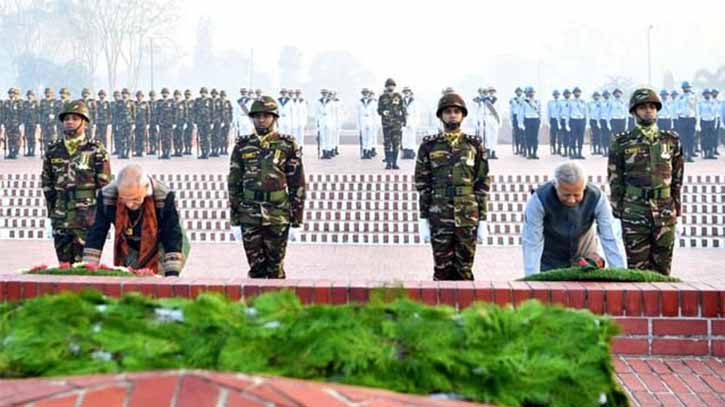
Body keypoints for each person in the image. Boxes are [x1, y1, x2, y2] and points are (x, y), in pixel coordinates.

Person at [415, 93, 491, 280]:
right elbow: (423, 184)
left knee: (464, 269)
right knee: (441, 269)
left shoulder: (474, 145)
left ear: (463, 115)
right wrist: (423, 219)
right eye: (448, 111)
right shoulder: (429, 146)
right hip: (439, 213)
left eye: (457, 111)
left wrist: (482, 220)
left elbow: (482, 183)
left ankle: (464, 309)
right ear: (441, 116)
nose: (452, 115)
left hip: (467, 213)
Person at [608, 88, 684, 275]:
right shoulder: (622, 142)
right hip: (634, 209)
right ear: (634, 112)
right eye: (642, 107)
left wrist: (676, 207)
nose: (648, 111)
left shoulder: (671, 140)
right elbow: (615, 179)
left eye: (652, 107)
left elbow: (677, 177)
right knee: (637, 270)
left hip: (665, 209)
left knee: (663, 268)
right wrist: (619, 210)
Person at [228, 96, 306, 278]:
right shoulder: (242, 145)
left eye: (266, 116)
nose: (261, 119)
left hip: (278, 213)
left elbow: (297, 183)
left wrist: (297, 221)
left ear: (275, 118)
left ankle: (275, 305)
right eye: (257, 116)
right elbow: (234, 184)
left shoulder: (287, 144)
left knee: (275, 269)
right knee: (255, 270)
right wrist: (235, 219)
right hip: (249, 213)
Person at [522, 162, 625, 275]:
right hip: (550, 262)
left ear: (584, 187)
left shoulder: (598, 198)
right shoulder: (538, 201)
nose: (571, 200)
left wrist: (620, 274)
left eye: (577, 195)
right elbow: (532, 242)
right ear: (556, 186)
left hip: (586, 261)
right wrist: (532, 280)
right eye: (566, 195)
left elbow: (611, 237)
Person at [82, 164, 186, 276]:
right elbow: (97, 231)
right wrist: (89, 267)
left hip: (164, 239)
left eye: (135, 199)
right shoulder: (107, 195)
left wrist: (172, 274)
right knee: (128, 275)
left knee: (158, 278)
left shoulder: (163, 196)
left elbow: (171, 234)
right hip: (130, 239)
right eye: (124, 199)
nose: (130, 204)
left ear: (146, 188)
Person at [41, 101, 111, 263]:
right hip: (61, 215)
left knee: (86, 267)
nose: (69, 122)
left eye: (74, 118)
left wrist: (100, 217)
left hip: (86, 216)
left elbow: (105, 186)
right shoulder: (53, 150)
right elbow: (47, 184)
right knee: (64, 265)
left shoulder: (95, 150)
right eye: (66, 119)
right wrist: (54, 211)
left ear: (84, 123)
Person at [377, 78, 407, 169]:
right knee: (387, 144)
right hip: (386, 124)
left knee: (396, 144)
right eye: (389, 85)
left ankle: (394, 163)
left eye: (392, 85)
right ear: (386, 86)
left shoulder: (398, 96)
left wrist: (404, 121)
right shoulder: (382, 97)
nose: (391, 87)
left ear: (394, 86)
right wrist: (383, 112)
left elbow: (403, 109)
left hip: (397, 124)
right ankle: (388, 163)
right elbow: (379, 110)